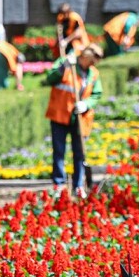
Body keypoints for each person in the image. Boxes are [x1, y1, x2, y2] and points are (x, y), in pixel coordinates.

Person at [45, 44, 102, 196]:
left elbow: (96, 94)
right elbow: (49, 79)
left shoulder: (93, 73)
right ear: (84, 57)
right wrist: (64, 67)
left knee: (80, 153)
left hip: (80, 118)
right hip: (60, 115)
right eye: (90, 61)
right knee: (59, 152)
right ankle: (59, 185)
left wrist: (86, 104)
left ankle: (78, 186)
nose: (91, 65)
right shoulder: (66, 63)